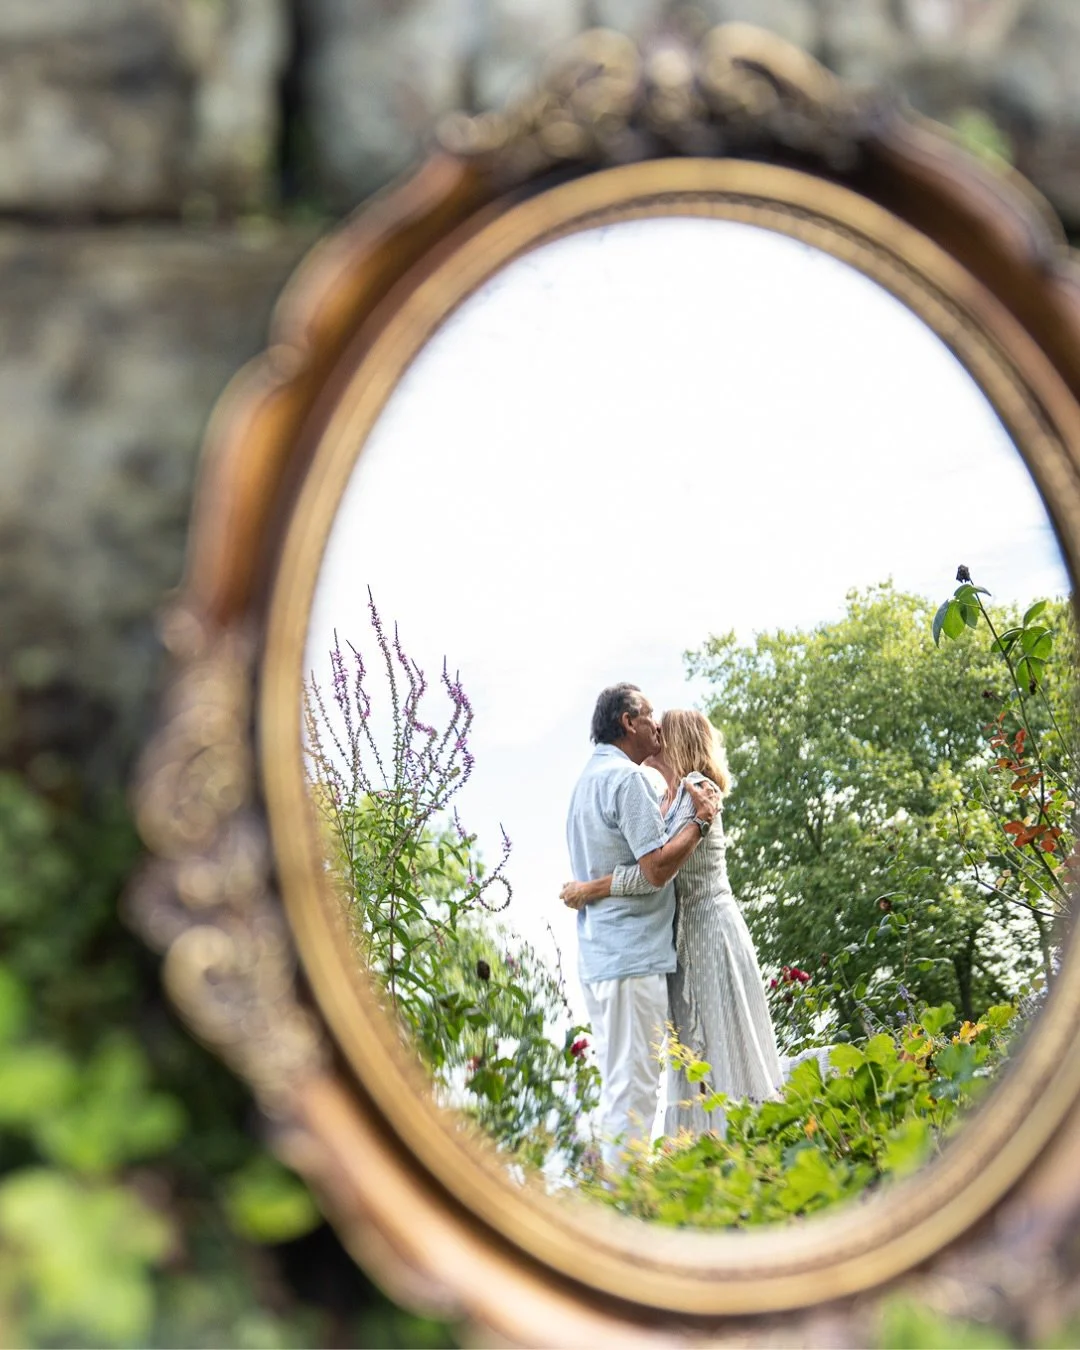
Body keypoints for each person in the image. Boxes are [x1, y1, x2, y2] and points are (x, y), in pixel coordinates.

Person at [562, 708, 783, 1139]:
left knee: (720, 1038)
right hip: (687, 936)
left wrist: (592, 888)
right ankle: (701, 1146)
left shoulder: (697, 790)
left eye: (663, 729)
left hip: (709, 929)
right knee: (695, 1046)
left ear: (676, 740)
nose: (654, 734)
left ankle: (736, 1139)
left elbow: (657, 871)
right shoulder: (672, 796)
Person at [564, 684, 719, 1173]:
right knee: (636, 1088)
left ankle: (618, 1192)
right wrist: (699, 823)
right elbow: (655, 871)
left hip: (601, 957)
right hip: (632, 957)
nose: (657, 725)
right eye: (650, 715)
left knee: (619, 1085)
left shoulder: (584, 784)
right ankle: (629, 1204)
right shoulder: (626, 781)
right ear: (628, 722)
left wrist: (591, 890)